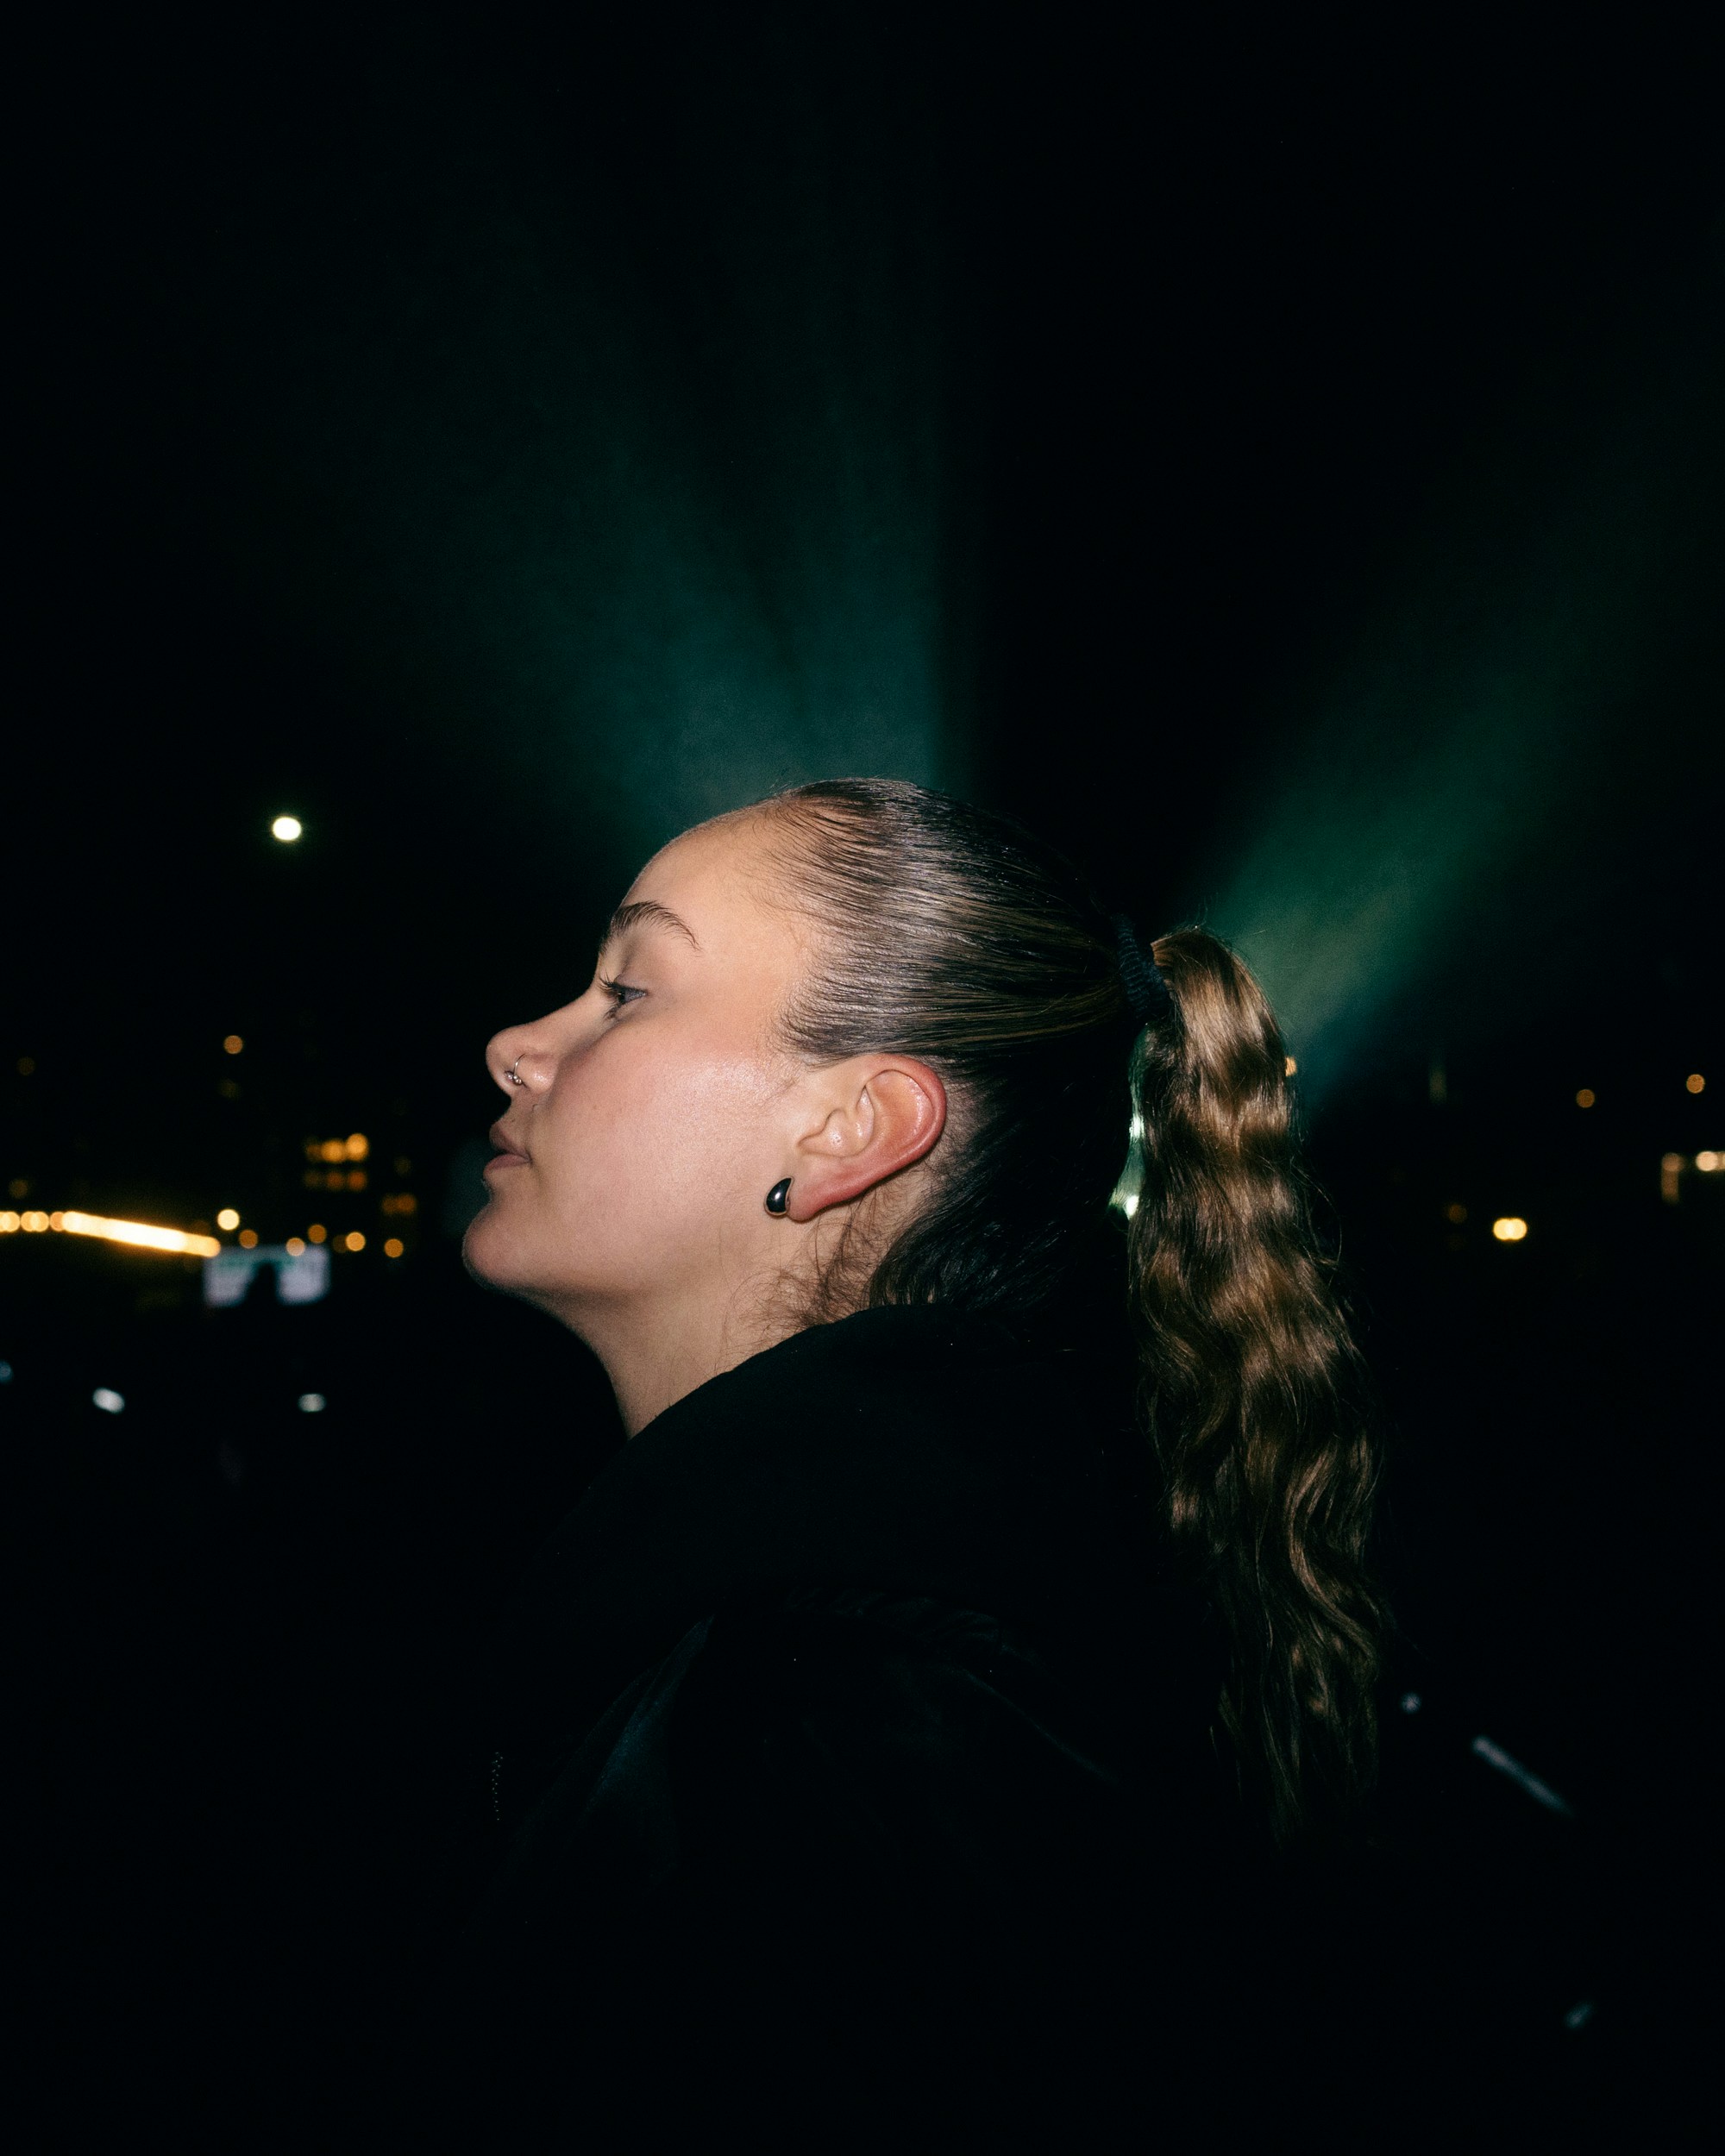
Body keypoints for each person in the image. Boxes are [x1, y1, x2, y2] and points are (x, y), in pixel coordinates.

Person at [408, 776, 1386, 2147]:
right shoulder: (855, 1634)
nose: (518, 1046)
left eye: (628, 992)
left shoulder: (860, 1735)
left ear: (850, 1131)